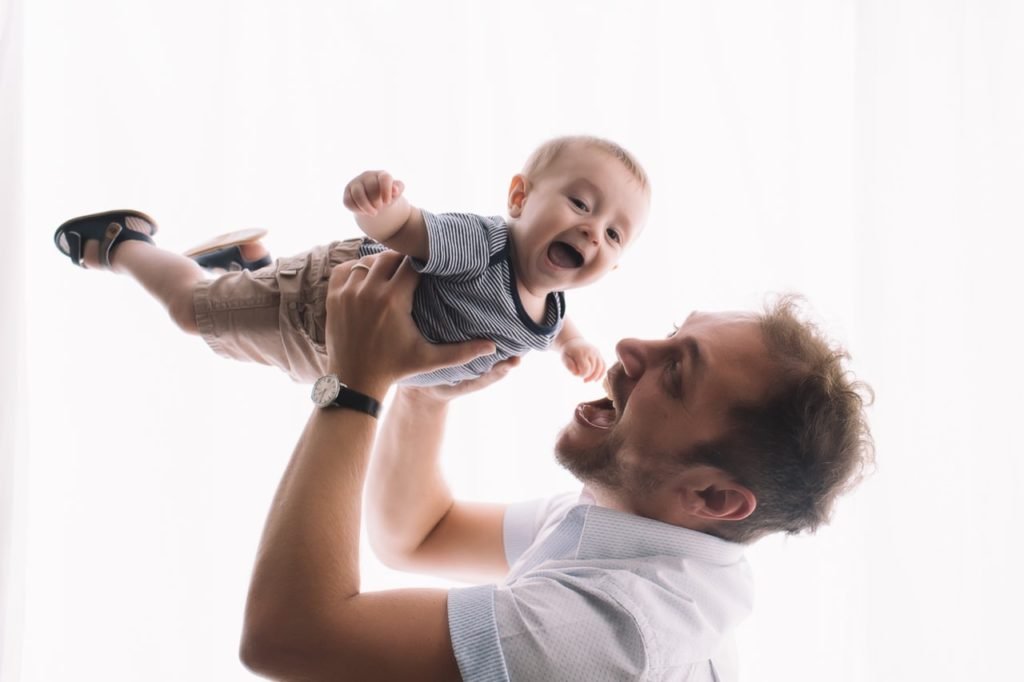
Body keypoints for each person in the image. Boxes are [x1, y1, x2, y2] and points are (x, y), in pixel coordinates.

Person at [239, 251, 874, 681]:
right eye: (672, 332)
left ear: (712, 497)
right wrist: (424, 391)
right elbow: (420, 534)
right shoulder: (645, 525)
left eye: (678, 370)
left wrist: (356, 384)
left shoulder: (609, 633)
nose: (630, 347)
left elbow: (287, 637)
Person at [51, 135, 650, 386]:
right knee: (193, 311)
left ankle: (250, 261)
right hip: (323, 303)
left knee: (246, 324)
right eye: (579, 203)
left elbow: (554, 324)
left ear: (615, 268)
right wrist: (381, 208)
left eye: (615, 234)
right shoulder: (484, 247)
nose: (592, 232)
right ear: (520, 199)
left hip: (345, 351)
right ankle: (123, 242)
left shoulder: (548, 305)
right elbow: (410, 231)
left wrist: (572, 345)